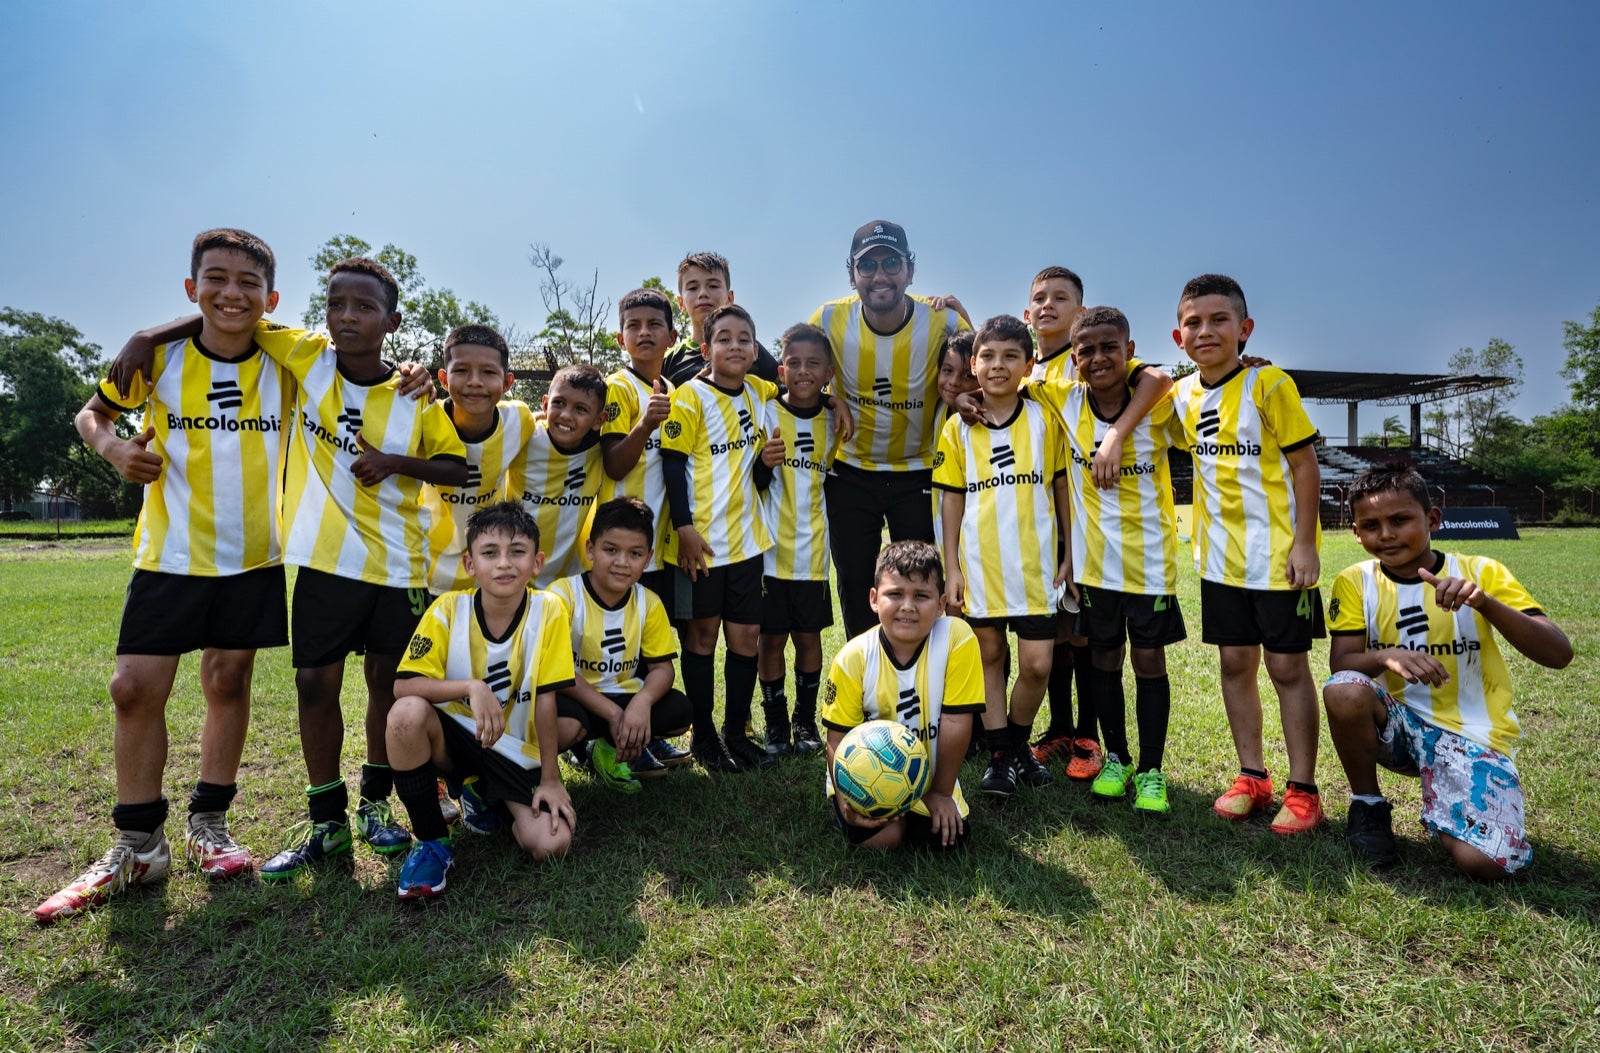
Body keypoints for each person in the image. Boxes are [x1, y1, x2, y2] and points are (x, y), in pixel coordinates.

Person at [36, 229, 293, 922]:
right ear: (191, 288)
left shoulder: (287, 359)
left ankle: (210, 825)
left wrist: (149, 324)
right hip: (168, 556)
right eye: (216, 278)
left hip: (254, 556)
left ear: (269, 298)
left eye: (248, 282)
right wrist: (113, 447)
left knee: (228, 679)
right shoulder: (157, 360)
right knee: (131, 688)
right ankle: (136, 844)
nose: (231, 292)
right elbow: (90, 414)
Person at [248, 257, 470, 879]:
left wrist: (396, 463)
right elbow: (229, 311)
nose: (348, 316)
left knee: (385, 688)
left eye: (364, 307)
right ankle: (326, 824)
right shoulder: (307, 359)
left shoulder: (414, 394)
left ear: (391, 321)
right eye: (337, 303)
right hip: (324, 564)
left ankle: (375, 807)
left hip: (400, 569)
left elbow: (458, 469)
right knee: (314, 685)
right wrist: (144, 337)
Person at [1323, 464, 1571, 878]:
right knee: (1343, 688)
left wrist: (1486, 604)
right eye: (1371, 525)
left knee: (1486, 864)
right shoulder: (1354, 582)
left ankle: (1450, 797)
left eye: (1400, 520)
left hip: (1471, 734)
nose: (1385, 534)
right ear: (1356, 532)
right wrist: (1388, 656)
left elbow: (1559, 653)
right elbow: (1342, 662)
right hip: (1399, 726)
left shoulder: (1481, 572)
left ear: (1432, 519)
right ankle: (1367, 806)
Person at [1170, 274, 1326, 834]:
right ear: (1177, 334)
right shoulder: (1181, 396)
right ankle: (1253, 777)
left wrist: (1306, 544)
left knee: (1287, 668)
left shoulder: (1270, 385)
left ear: (1245, 328)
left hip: (1280, 556)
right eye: (1194, 322)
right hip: (1218, 561)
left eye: (1219, 320)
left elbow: (1305, 464)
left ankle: (1304, 790)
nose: (1205, 331)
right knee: (1236, 665)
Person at [386, 502, 585, 898]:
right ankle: (432, 843)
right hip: (458, 739)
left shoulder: (550, 610)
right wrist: (471, 687)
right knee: (405, 716)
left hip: (514, 750)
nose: (504, 564)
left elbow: (546, 698)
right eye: (489, 552)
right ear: (469, 563)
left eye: (517, 551)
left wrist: (550, 778)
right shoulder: (447, 609)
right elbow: (403, 686)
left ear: (537, 561)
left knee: (552, 844)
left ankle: (486, 797)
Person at [1041, 307, 1183, 812]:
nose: (1098, 358)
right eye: (1087, 350)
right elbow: (1006, 380)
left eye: (1110, 347)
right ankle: (1117, 757)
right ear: (1074, 359)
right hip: (1095, 567)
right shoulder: (1063, 397)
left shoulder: (1162, 408)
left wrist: (1118, 435)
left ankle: (1151, 769)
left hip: (1150, 564)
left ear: (1130, 350)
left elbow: (1167, 380)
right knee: (1102, 658)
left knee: (1148, 660)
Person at [934, 315, 1073, 800]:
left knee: (1037, 664)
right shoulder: (956, 428)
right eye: (988, 357)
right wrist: (950, 567)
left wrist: (1068, 554)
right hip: (980, 566)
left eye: (1011, 356)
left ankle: (1014, 745)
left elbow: (1061, 488)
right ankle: (1001, 758)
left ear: (1028, 364)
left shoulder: (1043, 417)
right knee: (990, 656)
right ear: (973, 365)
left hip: (1034, 568)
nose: (998, 366)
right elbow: (951, 500)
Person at [811, 220, 970, 638]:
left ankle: (924, 680)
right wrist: (830, 398)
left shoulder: (943, 321)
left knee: (921, 584)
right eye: (868, 266)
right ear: (852, 275)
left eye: (891, 262)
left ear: (910, 271)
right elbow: (795, 376)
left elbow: (990, 367)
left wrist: (967, 316)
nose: (880, 275)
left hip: (919, 471)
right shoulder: (828, 319)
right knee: (857, 581)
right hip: (851, 472)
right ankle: (866, 682)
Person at [661, 304, 781, 773]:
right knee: (703, 635)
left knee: (746, 635)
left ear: (755, 350)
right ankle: (705, 736)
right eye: (725, 339)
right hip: (701, 544)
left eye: (745, 338)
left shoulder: (757, 390)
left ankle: (736, 731)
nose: (736, 346)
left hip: (748, 541)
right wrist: (684, 529)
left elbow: (794, 386)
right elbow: (672, 466)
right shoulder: (688, 398)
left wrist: (830, 400)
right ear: (706, 349)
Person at [822, 541, 982, 851]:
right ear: (874, 599)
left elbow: (956, 721)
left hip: (932, 778)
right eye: (895, 594)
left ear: (941, 604)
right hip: (863, 780)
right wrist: (846, 800)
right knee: (886, 838)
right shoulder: (853, 658)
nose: (907, 606)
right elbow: (837, 738)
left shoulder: (956, 640)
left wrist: (941, 792)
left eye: (921, 596)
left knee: (945, 841)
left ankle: (928, 802)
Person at [548, 498, 694, 788]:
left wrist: (642, 702)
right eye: (610, 550)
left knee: (680, 712)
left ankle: (610, 748)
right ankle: (543, 767)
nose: (621, 562)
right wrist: (613, 713)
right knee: (563, 725)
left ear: (648, 557)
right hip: (577, 697)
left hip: (623, 699)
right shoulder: (562, 596)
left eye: (635, 553)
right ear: (591, 549)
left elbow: (663, 669)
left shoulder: (648, 603)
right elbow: (559, 674)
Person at [757, 324, 840, 756]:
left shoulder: (836, 420)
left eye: (813, 364)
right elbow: (750, 481)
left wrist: (833, 401)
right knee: (770, 640)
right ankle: (774, 725)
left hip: (813, 556)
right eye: (795, 363)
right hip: (770, 554)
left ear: (828, 371)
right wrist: (763, 464)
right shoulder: (766, 413)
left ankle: (805, 722)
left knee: (809, 639)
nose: (803, 371)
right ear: (781, 368)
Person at [422, 324, 537, 595]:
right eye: (461, 371)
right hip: (422, 569)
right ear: (443, 379)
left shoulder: (519, 421)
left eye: (488, 372)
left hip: (485, 577)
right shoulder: (424, 419)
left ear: (508, 383)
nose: (475, 381)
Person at [509, 363, 607, 589]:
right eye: (558, 403)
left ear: (598, 420)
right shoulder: (524, 437)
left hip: (568, 583)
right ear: (545, 404)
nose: (566, 415)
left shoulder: (602, 451)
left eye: (580, 409)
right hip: (514, 577)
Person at [660, 252, 779, 388]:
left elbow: (785, 394)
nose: (703, 293)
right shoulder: (669, 360)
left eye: (713, 286)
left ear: (729, 298)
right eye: (693, 288)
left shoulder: (748, 349)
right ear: (681, 303)